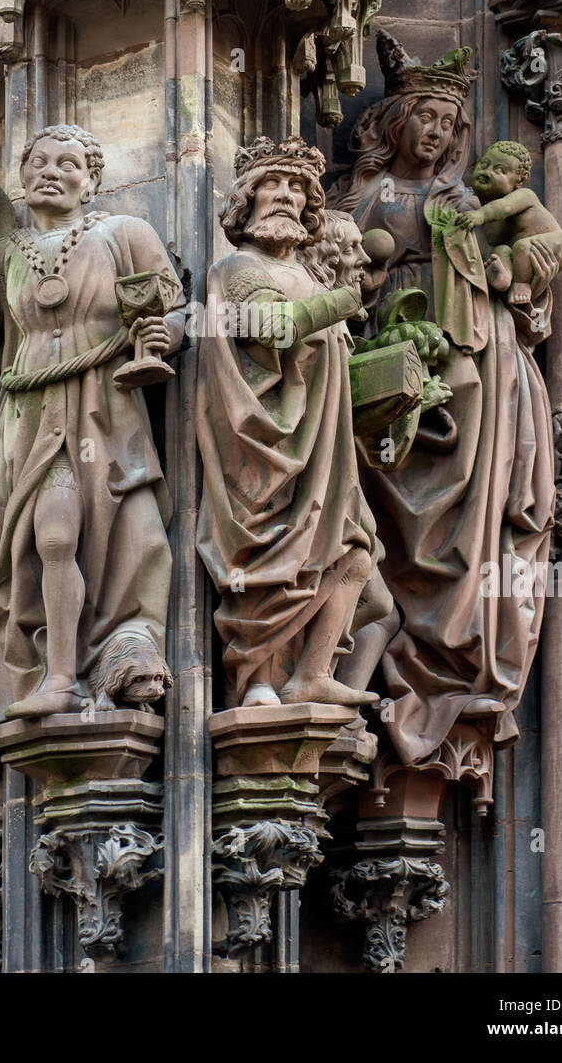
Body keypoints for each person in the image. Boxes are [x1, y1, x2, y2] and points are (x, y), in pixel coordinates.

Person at [328, 35, 562, 765]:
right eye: (423, 117)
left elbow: (545, 245)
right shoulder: (362, 196)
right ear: (394, 121)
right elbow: (337, 269)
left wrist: (510, 266)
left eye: (447, 123)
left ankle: (458, 656)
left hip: (475, 359)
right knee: (392, 517)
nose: (435, 133)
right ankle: (387, 657)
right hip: (389, 354)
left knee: (472, 518)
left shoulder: (469, 199)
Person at [0, 124, 184, 721]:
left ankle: (113, 655)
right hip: (30, 416)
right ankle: (59, 677)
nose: (51, 170)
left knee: (121, 533)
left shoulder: (125, 233)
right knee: (51, 536)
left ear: (91, 181)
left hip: (106, 410)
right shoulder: (10, 252)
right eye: (39, 161)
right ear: (21, 178)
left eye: (69, 163)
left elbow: (174, 312)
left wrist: (161, 337)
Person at [196, 136, 380, 710]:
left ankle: (312, 673)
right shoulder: (237, 268)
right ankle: (256, 680)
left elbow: (333, 368)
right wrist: (344, 302)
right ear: (245, 202)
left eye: (297, 188)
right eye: (271, 186)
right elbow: (269, 328)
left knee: (353, 554)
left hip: (324, 452)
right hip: (261, 447)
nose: (284, 196)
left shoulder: (313, 278)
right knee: (271, 565)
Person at [453, 140, 562, 305]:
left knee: (521, 247)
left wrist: (480, 215)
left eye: (499, 170)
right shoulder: (477, 211)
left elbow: (504, 207)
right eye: (484, 164)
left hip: (552, 243)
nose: (487, 172)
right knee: (500, 250)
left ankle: (521, 285)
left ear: (520, 181)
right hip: (519, 253)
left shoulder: (525, 195)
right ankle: (504, 278)